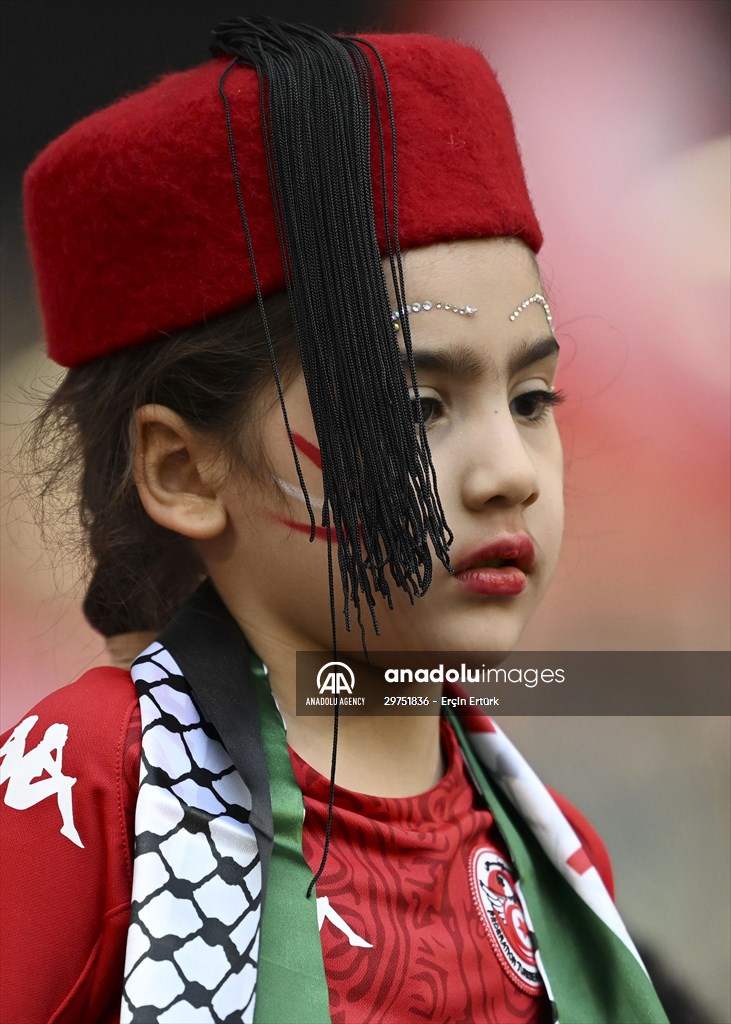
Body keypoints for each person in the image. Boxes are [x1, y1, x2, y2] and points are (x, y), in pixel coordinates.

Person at [0, 16, 669, 1024]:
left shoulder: (551, 857)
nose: (507, 475)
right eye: (413, 409)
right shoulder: (90, 784)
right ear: (183, 470)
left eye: (531, 401)